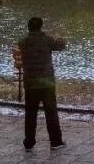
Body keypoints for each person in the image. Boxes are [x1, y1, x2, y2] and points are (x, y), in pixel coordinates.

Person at [14, 16, 66, 152]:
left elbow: (17, 59)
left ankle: (29, 142)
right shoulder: (47, 40)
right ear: (40, 26)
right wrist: (57, 35)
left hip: (30, 82)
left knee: (30, 113)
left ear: (28, 27)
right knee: (51, 112)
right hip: (47, 82)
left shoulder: (22, 42)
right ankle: (55, 141)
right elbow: (61, 45)